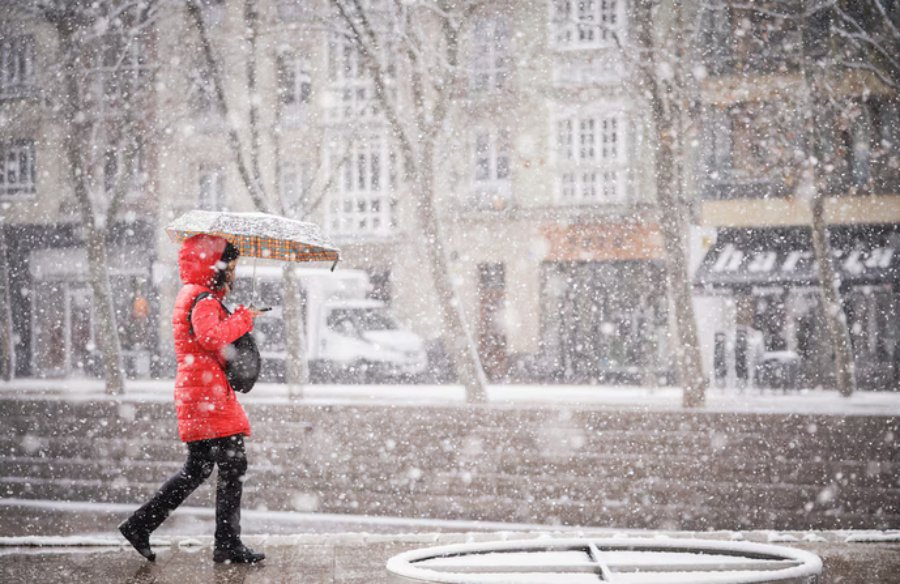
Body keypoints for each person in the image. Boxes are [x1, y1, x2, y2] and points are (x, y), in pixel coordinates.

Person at [119, 234, 266, 564]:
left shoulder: (192, 294)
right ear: (217, 266)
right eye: (232, 265)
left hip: (198, 391)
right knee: (232, 464)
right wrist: (243, 319)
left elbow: (204, 338)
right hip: (207, 395)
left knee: (199, 468)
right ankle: (226, 544)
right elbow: (210, 336)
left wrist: (239, 316)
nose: (235, 272)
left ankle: (140, 524)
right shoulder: (203, 299)